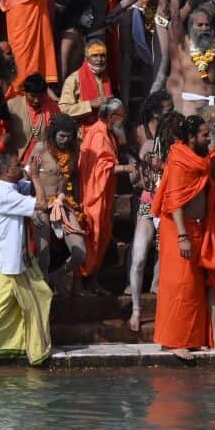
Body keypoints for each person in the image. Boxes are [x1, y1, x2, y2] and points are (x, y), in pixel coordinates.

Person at [153, 116, 215, 359]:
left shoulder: (201, 158)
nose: (208, 138)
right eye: (204, 135)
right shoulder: (179, 160)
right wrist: (182, 236)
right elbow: (174, 201)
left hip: (198, 227)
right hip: (179, 230)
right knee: (180, 285)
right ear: (191, 138)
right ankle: (174, 341)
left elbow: (204, 182)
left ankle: (193, 339)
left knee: (194, 286)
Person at [0, 150, 54, 369]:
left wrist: (31, 173)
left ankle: (28, 347)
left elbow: (30, 186)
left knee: (42, 294)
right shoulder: (3, 193)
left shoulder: (9, 185)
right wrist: (34, 175)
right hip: (4, 264)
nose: (21, 166)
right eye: (17, 165)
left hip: (17, 261)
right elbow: (42, 204)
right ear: (6, 171)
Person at [78, 98, 135, 292]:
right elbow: (101, 168)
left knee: (101, 238)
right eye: (121, 116)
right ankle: (81, 285)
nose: (123, 120)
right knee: (92, 238)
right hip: (94, 195)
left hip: (104, 195)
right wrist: (127, 167)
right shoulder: (98, 135)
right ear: (111, 117)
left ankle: (94, 282)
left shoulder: (107, 133)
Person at [59, 40, 114, 124]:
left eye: (102, 56)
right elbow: (64, 109)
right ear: (86, 58)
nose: (99, 59)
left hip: (105, 130)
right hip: (83, 132)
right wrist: (89, 105)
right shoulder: (74, 79)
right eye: (95, 56)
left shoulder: (106, 78)